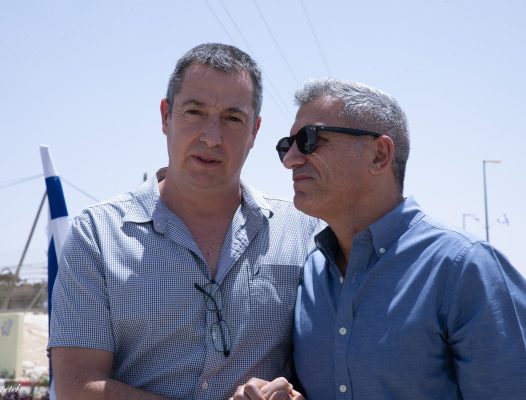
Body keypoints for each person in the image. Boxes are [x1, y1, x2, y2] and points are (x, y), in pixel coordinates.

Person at [48, 43, 322, 400]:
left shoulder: (304, 233)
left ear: (255, 130)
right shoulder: (98, 236)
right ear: (166, 117)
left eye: (233, 118)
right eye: (194, 112)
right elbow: (77, 387)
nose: (212, 137)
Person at [232, 78, 526, 400]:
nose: (290, 160)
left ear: (379, 155)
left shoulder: (465, 269)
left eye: (309, 140)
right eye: (286, 146)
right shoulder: (311, 275)